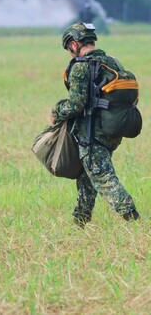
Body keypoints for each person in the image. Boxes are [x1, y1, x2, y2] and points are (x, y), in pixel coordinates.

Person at [50, 22, 140, 227]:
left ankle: (134, 220)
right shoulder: (112, 62)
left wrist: (56, 111)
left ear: (74, 43)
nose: (69, 53)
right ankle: (80, 221)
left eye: (68, 49)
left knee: (103, 178)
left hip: (92, 132)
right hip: (112, 131)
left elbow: (75, 104)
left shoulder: (81, 67)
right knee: (86, 176)